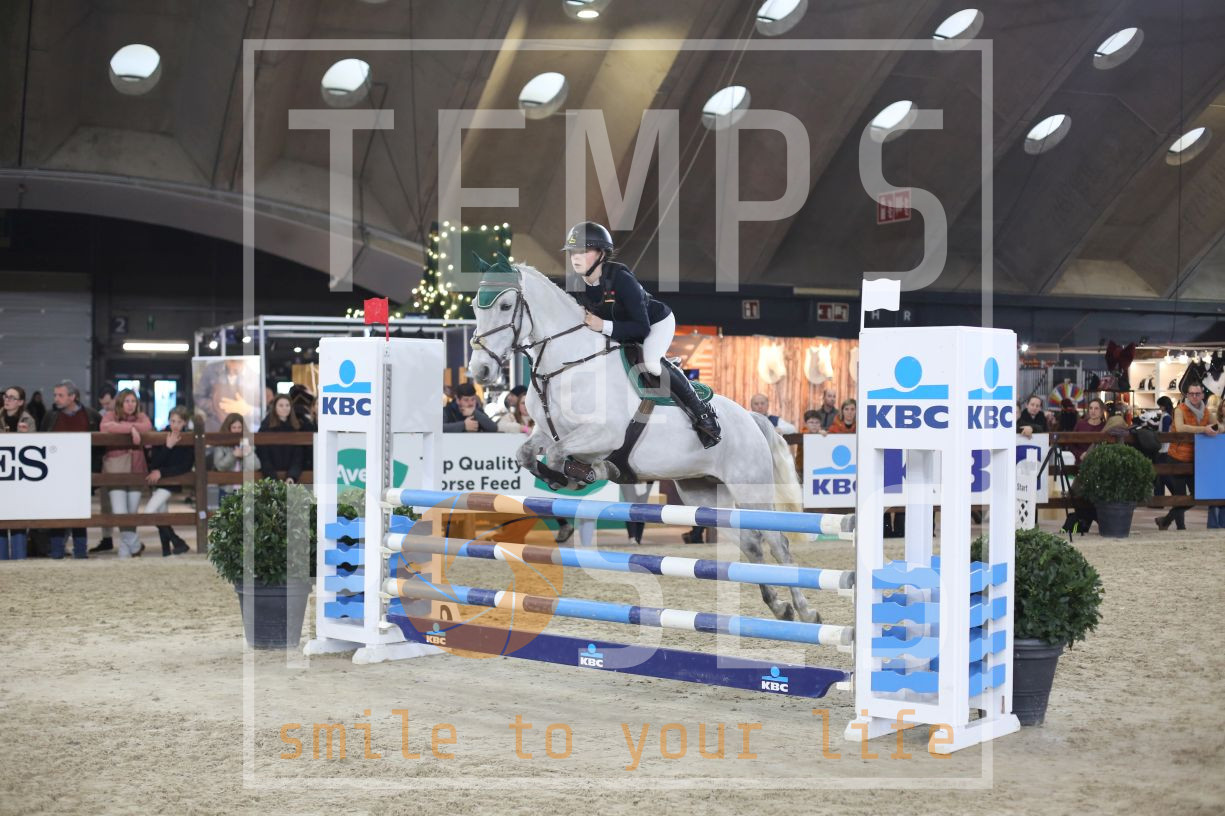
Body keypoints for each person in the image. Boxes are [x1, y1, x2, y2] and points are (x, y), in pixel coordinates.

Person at [564, 221, 720, 448]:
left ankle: (703, 413)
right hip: (618, 331)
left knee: (652, 363)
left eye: (583, 251)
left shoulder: (621, 279)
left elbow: (641, 327)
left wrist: (603, 325)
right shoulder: (574, 284)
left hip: (655, 323)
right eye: (572, 252)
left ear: (601, 254)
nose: (575, 257)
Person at [41, 380, 101, 558]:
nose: (56, 398)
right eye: (55, 395)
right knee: (57, 512)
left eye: (60, 395)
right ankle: (57, 551)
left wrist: (95, 470)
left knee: (80, 511)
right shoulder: (50, 415)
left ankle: (80, 552)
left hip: (81, 473)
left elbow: (100, 446)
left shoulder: (91, 416)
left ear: (72, 396)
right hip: (55, 473)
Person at [1156, 384, 1218, 531]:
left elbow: (1216, 425)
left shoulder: (1206, 412)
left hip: (1195, 459)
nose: (1194, 396)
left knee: (1198, 495)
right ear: (1187, 395)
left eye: (1197, 393)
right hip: (1176, 458)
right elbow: (1180, 427)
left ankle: (1165, 520)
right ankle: (1180, 527)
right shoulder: (1180, 409)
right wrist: (1204, 429)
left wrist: (1218, 428)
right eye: (1191, 394)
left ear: (1202, 395)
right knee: (1180, 495)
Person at [100, 388, 153, 559]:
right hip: (116, 468)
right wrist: (131, 429)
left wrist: (129, 427)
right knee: (120, 512)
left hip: (137, 468)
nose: (130, 405)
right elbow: (104, 427)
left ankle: (125, 551)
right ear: (120, 403)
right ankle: (135, 544)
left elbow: (147, 426)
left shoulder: (141, 417)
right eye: (127, 401)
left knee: (131, 513)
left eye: (133, 401)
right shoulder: (110, 415)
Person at [144, 406, 193, 556]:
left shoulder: (189, 438)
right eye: (172, 421)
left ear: (185, 423)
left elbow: (185, 466)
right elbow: (154, 462)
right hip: (158, 481)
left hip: (172, 481)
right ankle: (167, 550)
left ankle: (178, 542)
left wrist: (162, 472)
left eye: (179, 422)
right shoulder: (161, 436)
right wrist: (168, 446)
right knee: (161, 513)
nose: (175, 425)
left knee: (149, 511)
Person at [1, 386, 36, 560]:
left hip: (21, 476)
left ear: (21, 402)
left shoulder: (28, 420)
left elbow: (35, 447)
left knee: (18, 518)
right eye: (6, 396)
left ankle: (20, 559)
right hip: (2, 474)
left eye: (12, 397)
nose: (7, 400)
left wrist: (25, 436)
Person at [90, 384, 119, 552]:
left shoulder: (124, 414)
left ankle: (130, 538)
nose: (106, 407)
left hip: (122, 462)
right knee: (106, 503)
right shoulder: (100, 415)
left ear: (115, 399)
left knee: (124, 505)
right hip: (105, 462)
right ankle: (107, 537)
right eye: (103, 404)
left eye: (108, 403)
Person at [213, 412, 261, 501]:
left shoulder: (248, 443)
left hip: (245, 490)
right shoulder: (221, 445)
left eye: (239, 427)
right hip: (227, 489)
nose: (237, 430)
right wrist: (233, 455)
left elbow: (256, 466)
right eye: (234, 428)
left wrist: (248, 454)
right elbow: (219, 466)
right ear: (228, 428)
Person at [258, 395, 306, 483]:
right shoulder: (265, 427)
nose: (285, 408)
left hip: (291, 478)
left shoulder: (296, 427)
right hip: (270, 478)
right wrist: (273, 479)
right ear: (275, 408)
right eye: (281, 405)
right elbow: (264, 457)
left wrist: (292, 476)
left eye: (287, 405)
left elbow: (298, 457)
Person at [1209, 401, 1225, 530]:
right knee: (1214, 495)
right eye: (1224, 406)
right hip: (1216, 462)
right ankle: (1213, 525)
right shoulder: (1215, 422)